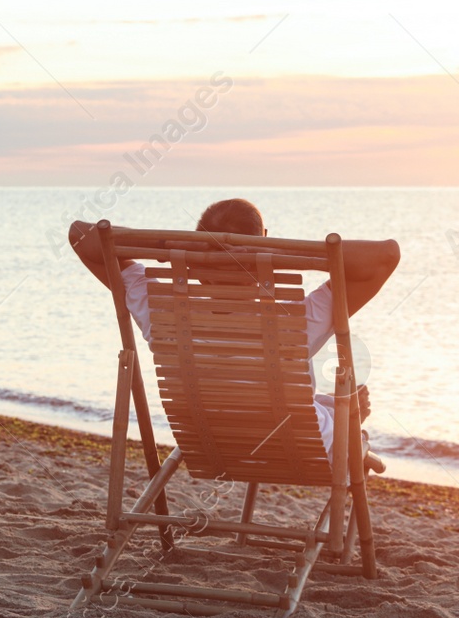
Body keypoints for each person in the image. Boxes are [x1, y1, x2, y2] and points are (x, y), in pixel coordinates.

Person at [68, 198, 399, 466]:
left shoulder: (162, 312)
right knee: (330, 419)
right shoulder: (296, 319)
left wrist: (175, 247)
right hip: (300, 450)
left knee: (302, 401)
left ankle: (341, 409)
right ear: (262, 245)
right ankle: (351, 421)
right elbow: (386, 255)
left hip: (209, 446)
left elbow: (82, 236)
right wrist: (278, 255)